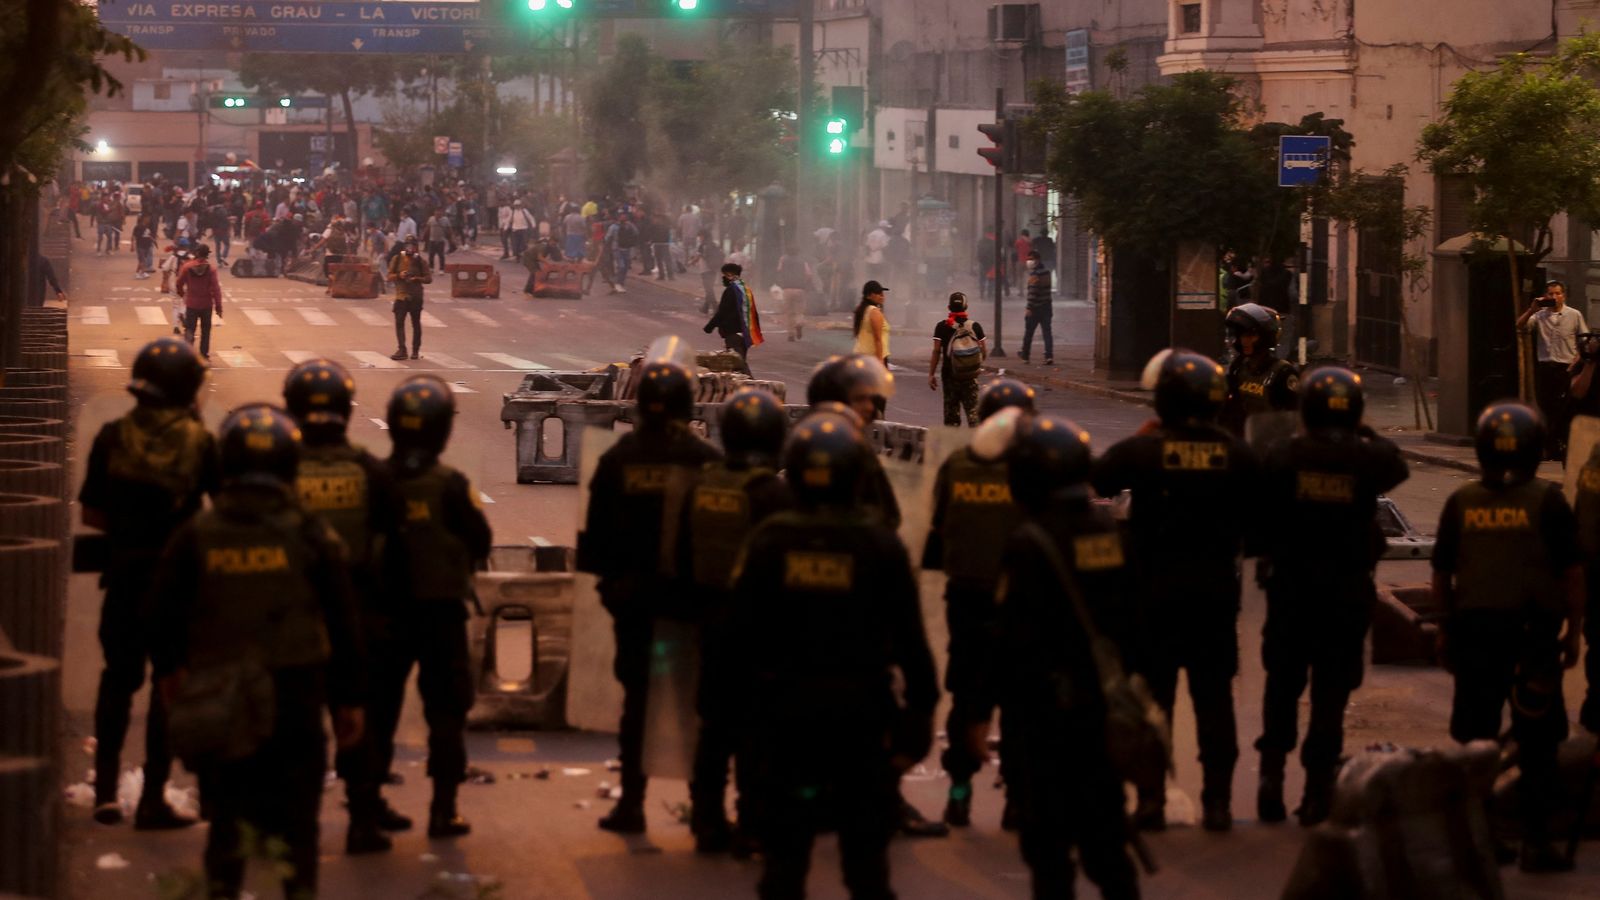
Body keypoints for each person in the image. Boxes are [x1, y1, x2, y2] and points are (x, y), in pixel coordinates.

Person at [150, 405, 365, 899]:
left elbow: (161, 615)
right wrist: (349, 698)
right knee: (297, 828)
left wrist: (170, 673)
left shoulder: (196, 535)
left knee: (226, 824)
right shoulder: (311, 532)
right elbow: (343, 619)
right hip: (297, 694)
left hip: (221, 695)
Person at [730, 409, 939, 900]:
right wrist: (919, 719)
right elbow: (912, 644)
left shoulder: (769, 542)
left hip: (786, 720)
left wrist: (742, 720)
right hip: (862, 722)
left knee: (784, 868)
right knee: (867, 869)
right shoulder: (880, 545)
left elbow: (737, 639)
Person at [1092, 350, 1258, 832]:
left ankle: (1151, 799)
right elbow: (1261, 517)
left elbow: (1099, 479)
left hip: (1153, 599)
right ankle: (1218, 803)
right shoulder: (1238, 455)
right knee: (1214, 701)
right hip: (1214, 600)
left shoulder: (1143, 452)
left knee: (1153, 702)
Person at [990, 412, 1143, 900]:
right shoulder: (1109, 531)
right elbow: (1131, 622)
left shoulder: (1029, 542)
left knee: (1049, 854)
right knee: (1108, 846)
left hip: (1046, 718)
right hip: (1101, 711)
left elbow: (1011, 641)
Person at [1432, 401, 1584, 872]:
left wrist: (1444, 628)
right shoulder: (1549, 501)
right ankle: (1537, 843)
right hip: (1532, 639)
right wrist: (1574, 632)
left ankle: (1481, 840)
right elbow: (1572, 573)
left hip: (1475, 635)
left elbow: (1442, 573)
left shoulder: (1462, 502)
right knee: (1539, 744)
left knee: (1477, 741)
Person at [577, 346, 723, 834]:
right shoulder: (705, 461)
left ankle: (631, 805)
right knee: (701, 707)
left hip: (635, 603)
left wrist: (611, 589)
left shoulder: (620, 458)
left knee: (637, 704)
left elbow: (594, 539)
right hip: (694, 604)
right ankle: (706, 812)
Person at [1253, 367, 1408, 826]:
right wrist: (1360, 432)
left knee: (1282, 686)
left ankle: (1271, 779)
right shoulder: (1366, 460)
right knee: (1330, 695)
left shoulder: (1284, 454)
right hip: (1345, 593)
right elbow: (1394, 461)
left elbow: (1260, 509)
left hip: (1291, 592)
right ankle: (1318, 791)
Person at [78, 337, 216, 830]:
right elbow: (220, 514)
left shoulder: (113, 436)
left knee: (117, 679)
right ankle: (154, 797)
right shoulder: (199, 442)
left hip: (125, 577)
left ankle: (107, 794)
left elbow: (93, 514)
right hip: (178, 588)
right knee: (168, 684)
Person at [282, 359, 411, 854]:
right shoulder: (369, 471)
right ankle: (363, 817)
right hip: (356, 616)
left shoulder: (279, 471)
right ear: (346, 410)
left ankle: (294, 827)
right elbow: (393, 551)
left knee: (295, 726)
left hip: (289, 620)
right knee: (358, 717)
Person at [672, 389, 793, 856]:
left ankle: (706, 819)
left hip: (711, 625)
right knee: (758, 730)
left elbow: (683, 556)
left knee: (715, 728)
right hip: (764, 631)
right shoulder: (774, 495)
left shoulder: (703, 486)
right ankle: (751, 820)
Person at [382, 376, 493, 838]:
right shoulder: (450, 485)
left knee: (379, 707)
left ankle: (365, 808)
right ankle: (443, 809)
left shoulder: (374, 478)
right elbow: (481, 539)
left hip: (384, 609)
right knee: (446, 712)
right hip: (441, 611)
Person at [922, 379, 1034, 827]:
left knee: (968, 696)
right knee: (1022, 701)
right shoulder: (1034, 467)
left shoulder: (958, 463)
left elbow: (938, 528)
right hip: (1022, 603)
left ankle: (959, 792)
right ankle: (1017, 799)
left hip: (967, 599)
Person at [1518, 280, 1588, 460]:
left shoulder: (1574, 315)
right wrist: (1531, 310)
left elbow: (1584, 342)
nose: (1554, 297)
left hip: (1565, 368)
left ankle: (1560, 446)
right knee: (1546, 408)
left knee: (1562, 409)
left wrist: (1575, 363)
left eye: (1557, 293)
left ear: (1563, 295)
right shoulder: (1540, 316)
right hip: (1546, 368)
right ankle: (1550, 447)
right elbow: (1520, 326)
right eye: (1550, 293)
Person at [1221, 302, 1300, 440]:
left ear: (1265, 336)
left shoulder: (1283, 373)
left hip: (1270, 446)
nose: (1245, 341)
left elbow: (1292, 418)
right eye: (1242, 336)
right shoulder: (1238, 366)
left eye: (1251, 336)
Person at [928, 292, 988, 427]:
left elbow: (936, 351)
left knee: (951, 418)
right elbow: (984, 351)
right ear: (966, 306)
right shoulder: (975, 326)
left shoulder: (942, 326)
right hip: (970, 377)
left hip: (949, 376)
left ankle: (953, 445)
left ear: (948, 307)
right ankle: (977, 445)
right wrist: (974, 364)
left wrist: (931, 374)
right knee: (974, 416)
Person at [704, 262, 762, 377]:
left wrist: (709, 327)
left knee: (738, 363)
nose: (722, 279)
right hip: (745, 333)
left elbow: (722, 312)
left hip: (733, 333)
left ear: (730, 275)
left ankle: (752, 385)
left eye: (724, 275)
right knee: (738, 363)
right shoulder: (745, 289)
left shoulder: (731, 290)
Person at [387, 237, 432, 361]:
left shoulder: (420, 261)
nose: (410, 248)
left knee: (416, 324)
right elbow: (389, 276)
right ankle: (402, 349)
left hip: (416, 297)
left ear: (416, 247)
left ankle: (415, 350)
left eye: (412, 246)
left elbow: (429, 279)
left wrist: (417, 278)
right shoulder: (397, 259)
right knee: (399, 323)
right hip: (401, 296)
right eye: (408, 245)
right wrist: (399, 275)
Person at [177, 244, 223, 361]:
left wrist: (183, 294)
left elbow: (179, 283)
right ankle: (204, 354)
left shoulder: (187, 267)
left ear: (196, 253)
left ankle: (188, 353)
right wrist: (218, 307)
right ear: (207, 254)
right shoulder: (211, 269)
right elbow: (216, 289)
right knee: (206, 331)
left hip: (192, 303)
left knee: (189, 330)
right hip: (206, 304)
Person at [1019, 250, 1053, 366]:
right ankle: (1049, 356)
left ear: (1037, 260)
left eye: (1031, 259)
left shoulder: (1034, 275)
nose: (1029, 262)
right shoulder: (1047, 272)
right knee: (1047, 333)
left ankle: (1025, 355)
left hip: (1035, 308)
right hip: (1047, 306)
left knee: (1029, 333)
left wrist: (1029, 308)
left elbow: (1033, 292)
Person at [775, 247, 812, 341]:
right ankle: (799, 323)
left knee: (789, 313)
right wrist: (805, 283)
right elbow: (809, 274)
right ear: (798, 252)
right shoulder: (802, 261)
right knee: (799, 311)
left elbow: (779, 270)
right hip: (800, 289)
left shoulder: (783, 259)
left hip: (787, 288)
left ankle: (791, 334)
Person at [853, 280, 891, 371]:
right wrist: (880, 362)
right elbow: (878, 339)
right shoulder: (874, 312)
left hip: (862, 355)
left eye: (882, 293)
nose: (882, 296)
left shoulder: (863, 309)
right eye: (878, 293)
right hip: (873, 358)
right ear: (869, 295)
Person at [690, 230, 726, 315]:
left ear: (703, 236)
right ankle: (705, 308)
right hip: (713, 269)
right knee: (709, 288)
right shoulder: (713, 244)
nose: (699, 238)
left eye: (700, 236)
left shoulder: (703, 245)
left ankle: (716, 308)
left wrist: (690, 262)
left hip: (705, 269)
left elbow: (698, 257)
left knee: (709, 290)